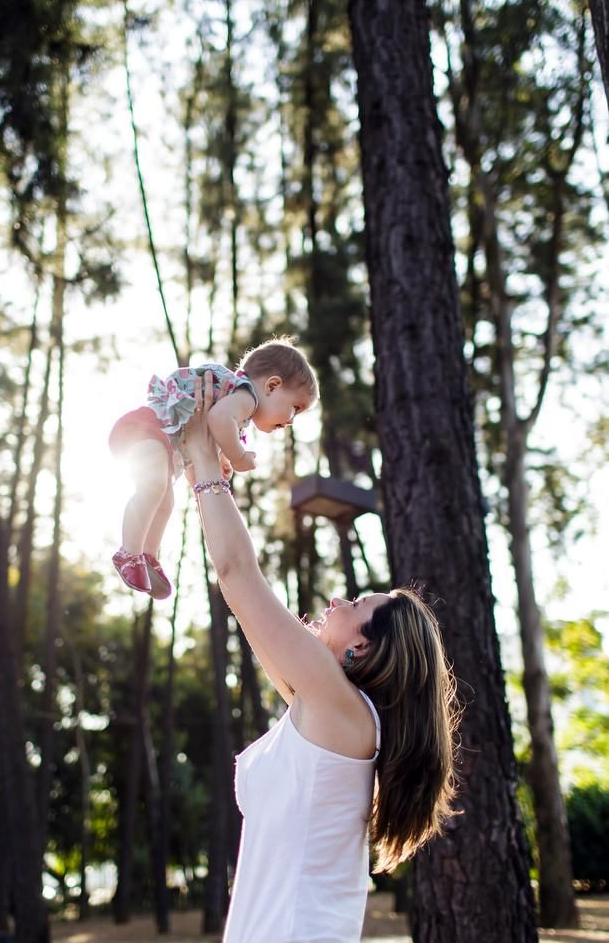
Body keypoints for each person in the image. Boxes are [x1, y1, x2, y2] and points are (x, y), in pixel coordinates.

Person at [181, 371, 460, 943]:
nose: (337, 599)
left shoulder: (341, 710)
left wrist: (202, 458)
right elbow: (247, 608)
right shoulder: (327, 710)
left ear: (362, 646)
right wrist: (201, 463)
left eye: (355, 603)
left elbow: (239, 579)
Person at [109, 338, 318, 597]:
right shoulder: (247, 397)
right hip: (146, 428)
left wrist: (220, 460)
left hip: (159, 441)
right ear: (272, 385)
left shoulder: (238, 407)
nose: (291, 421)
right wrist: (238, 456)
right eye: (295, 408)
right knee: (153, 487)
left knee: (164, 500)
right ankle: (128, 553)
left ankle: (148, 556)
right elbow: (218, 418)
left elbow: (213, 426)